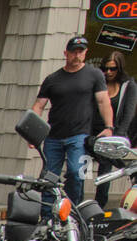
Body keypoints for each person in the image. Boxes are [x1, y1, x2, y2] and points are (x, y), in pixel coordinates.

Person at [33, 36, 112, 206]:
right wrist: (32, 134)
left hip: (80, 136)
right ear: (65, 53)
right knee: (48, 176)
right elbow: (39, 105)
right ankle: (47, 216)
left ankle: (72, 212)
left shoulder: (94, 74)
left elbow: (103, 101)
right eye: (73, 52)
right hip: (53, 136)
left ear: (85, 53)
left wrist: (109, 127)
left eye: (80, 52)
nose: (77, 55)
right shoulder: (52, 78)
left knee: (77, 173)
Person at [93, 51, 136, 207]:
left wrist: (116, 136)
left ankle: (100, 204)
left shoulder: (128, 86)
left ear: (120, 69)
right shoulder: (99, 83)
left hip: (115, 135)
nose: (108, 72)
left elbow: (128, 115)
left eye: (113, 69)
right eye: (105, 69)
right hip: (94, 133)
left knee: (108, 164)